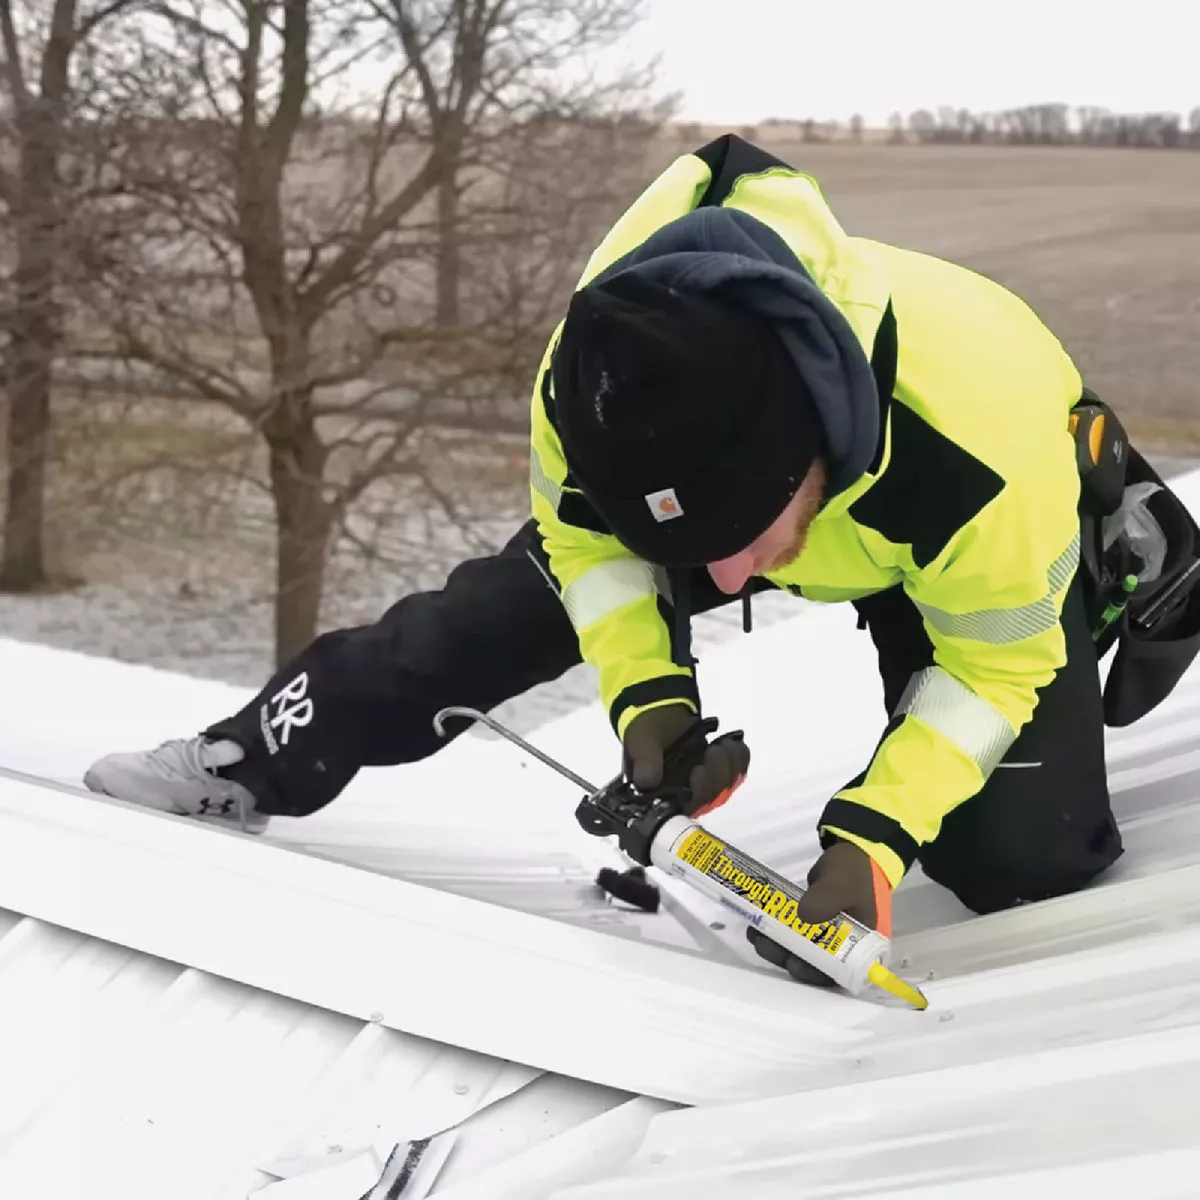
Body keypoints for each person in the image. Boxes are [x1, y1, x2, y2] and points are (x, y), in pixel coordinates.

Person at [85, 134, 1195, 988]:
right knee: (489, 619)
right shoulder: (598, 385)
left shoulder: (976, 453)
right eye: (695, 555)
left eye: (750, 544)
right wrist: (652, 704)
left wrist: (873, 836)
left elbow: (995, 670)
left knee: (1023, 865)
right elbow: (588, 548)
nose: (727, 584)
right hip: (761, 495)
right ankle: (250, 753)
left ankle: (1111, 537)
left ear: (819, 445)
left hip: (950, 531)